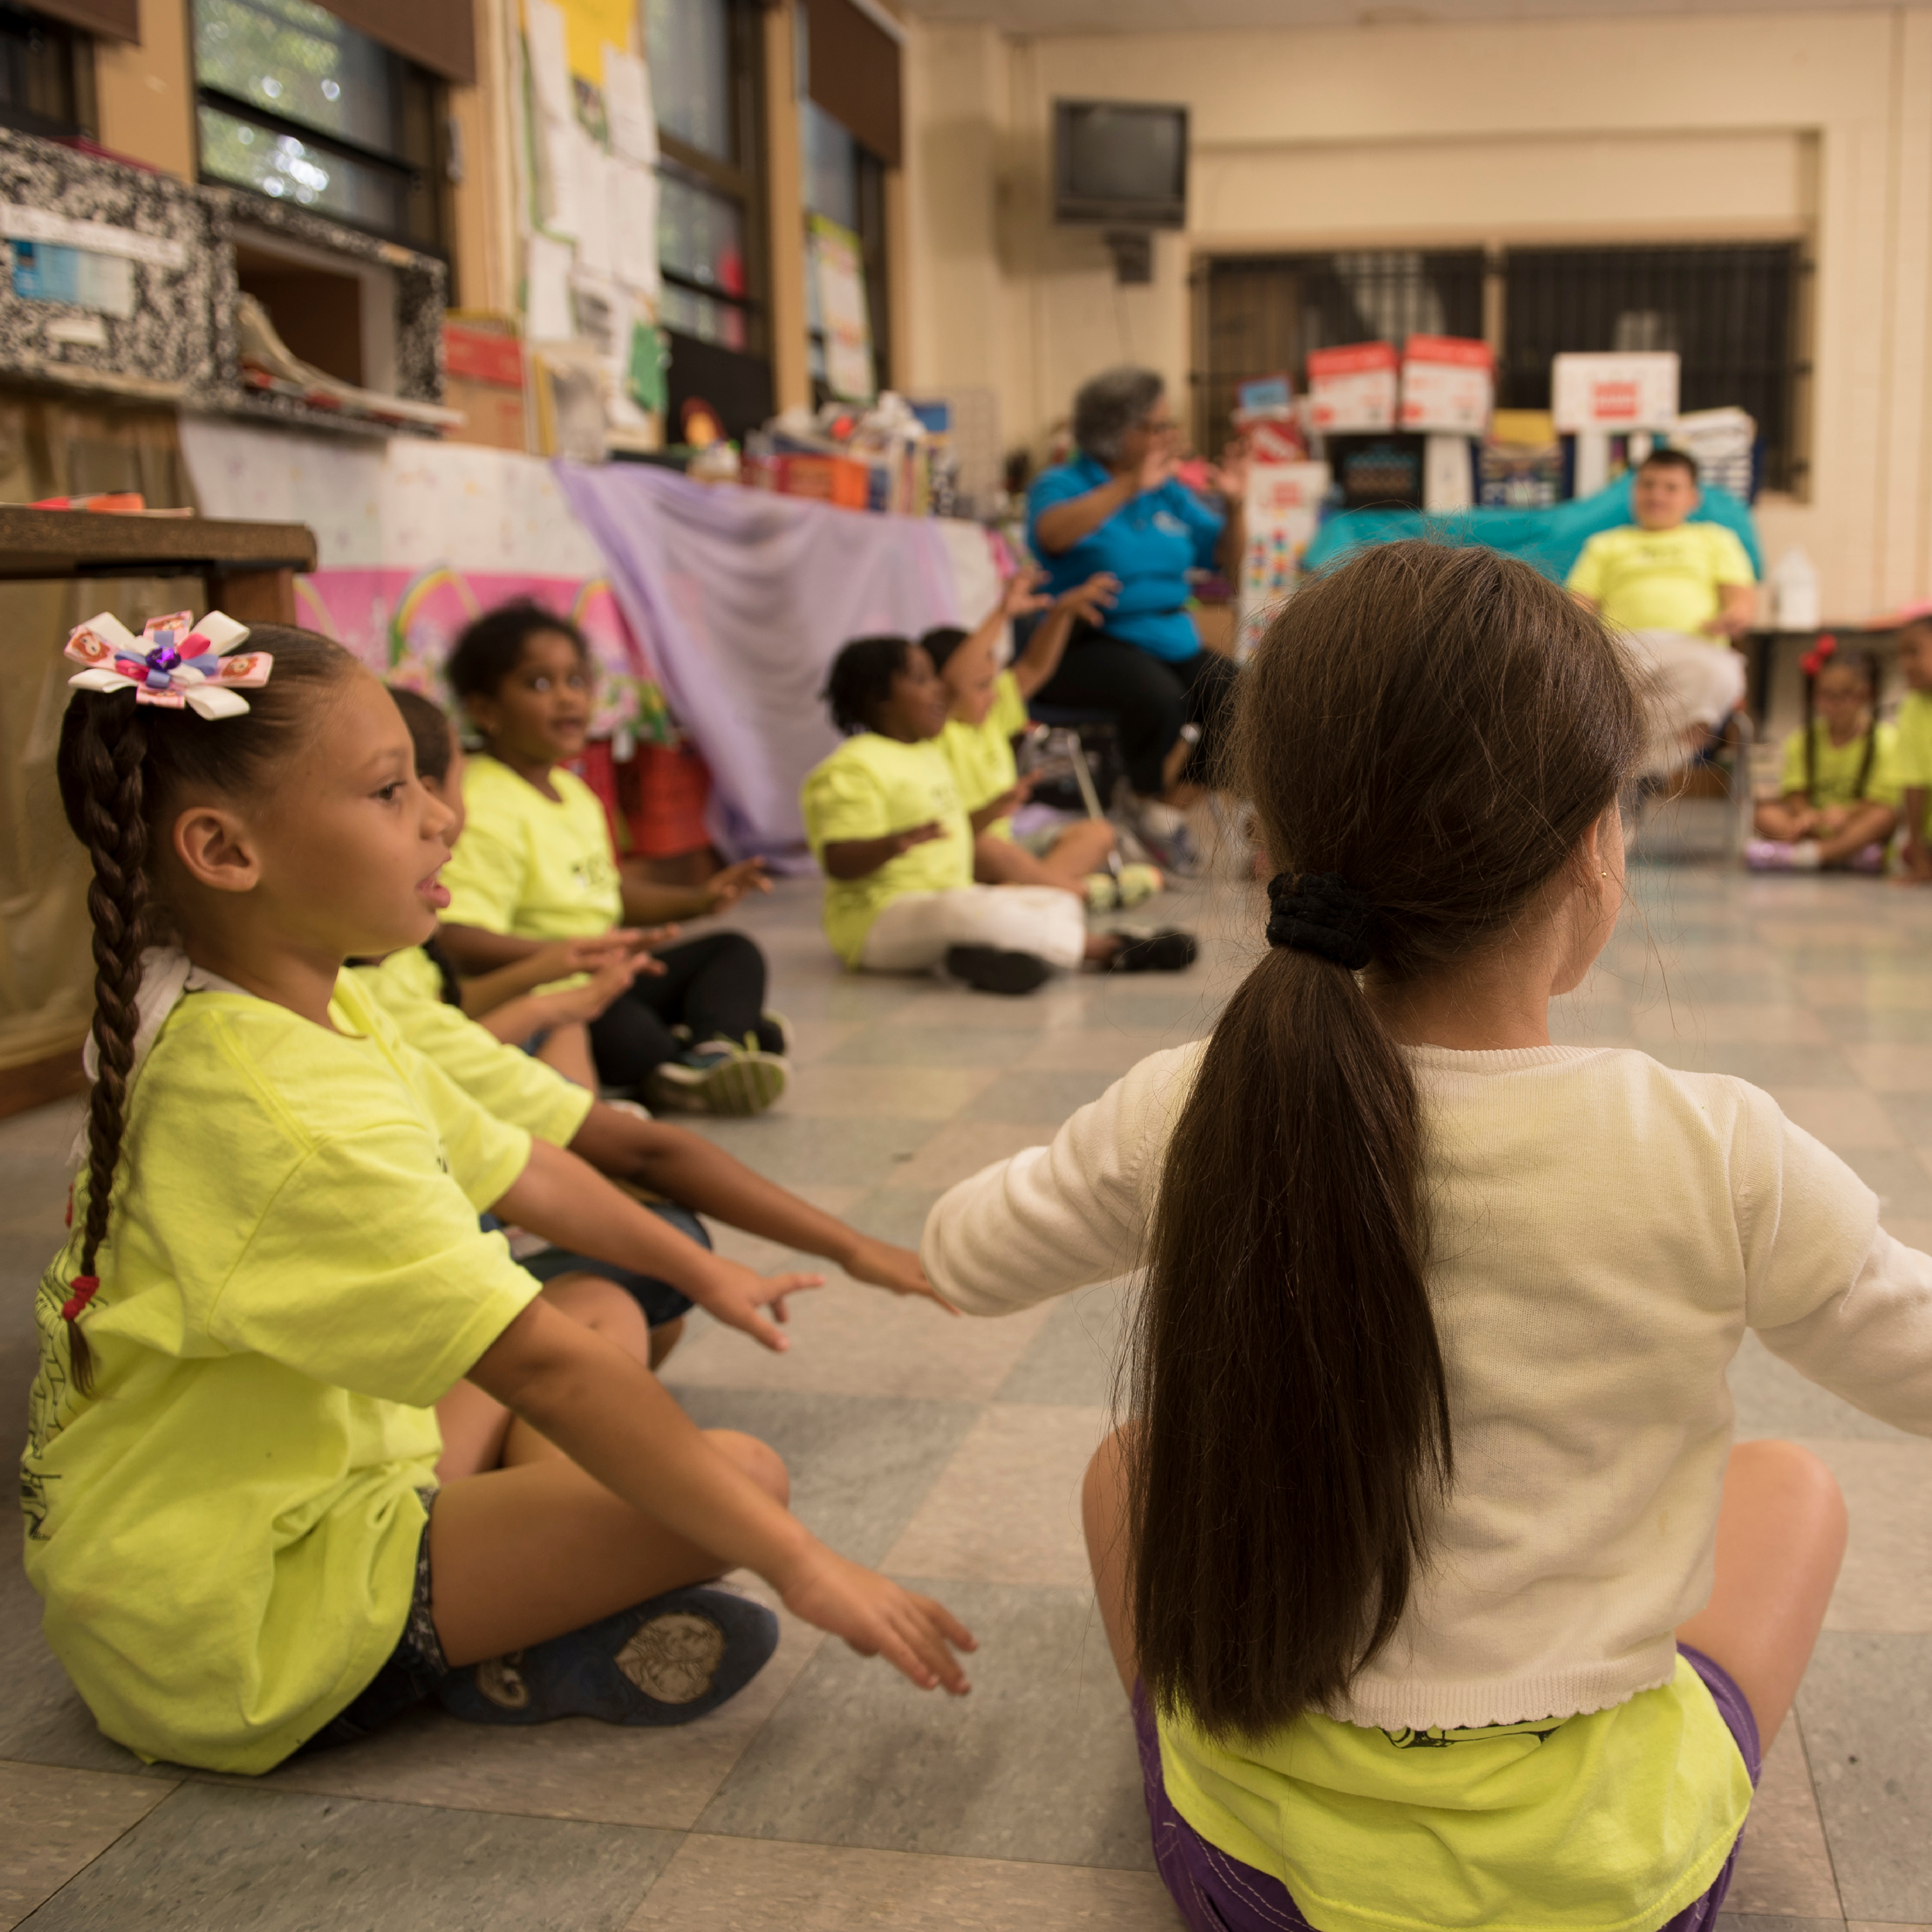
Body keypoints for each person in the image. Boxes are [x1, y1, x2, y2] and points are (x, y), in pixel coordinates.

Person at [917, 542, 1927, 1932]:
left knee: (1126, 1464)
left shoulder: (1197, 1102)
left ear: (1273, 846)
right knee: (1794, 1486)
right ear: (1593, 844)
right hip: (1602, 1887)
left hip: (1258, 1878)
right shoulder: (1715, 1146)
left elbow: (960, 1253)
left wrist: (1113, 1149)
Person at [26, 614, 973, 1777]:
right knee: (737, 1482)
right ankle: (493, 1646)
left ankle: (529, 1602)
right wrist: (806, 1563)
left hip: (263, 1495)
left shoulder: (301, 1002)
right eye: (389, 791)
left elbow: (525, 1167)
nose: (440, 815)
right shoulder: (272, 1097)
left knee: (599, 1309)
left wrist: (702, 1270)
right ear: (225, 850)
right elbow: (540, 1373)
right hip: (232, 1615)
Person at [356, 686, 942, 1367]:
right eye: (395, 793)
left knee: (709, 971)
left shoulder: (367, 987)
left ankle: (711, 1049)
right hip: (402, 1358)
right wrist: (852, 1246)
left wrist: (576, 972)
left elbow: (466, 1009)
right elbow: (644, 1153)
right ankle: (690, 1060)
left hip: (570, 990)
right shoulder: (370, 1007)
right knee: (658, 1257)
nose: (444, 821)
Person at [437, 601, 787, 1116]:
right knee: (630, 1034)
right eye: (539, 684)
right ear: (487, 711)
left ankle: (708, 1052)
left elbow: (610, 892)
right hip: (552, 990)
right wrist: (567, 955)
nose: (567, 699)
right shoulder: (483, 804)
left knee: (733, 953)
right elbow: (457, 937)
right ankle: (702, 1049)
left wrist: (699, 901)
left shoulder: (572, 792)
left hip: (607, 972)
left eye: (577, 681)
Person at [801, 635, 1196, 996]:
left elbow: (953, 832)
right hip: (876, 921)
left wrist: (989, 812)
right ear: (878, 697)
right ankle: (1107, 949)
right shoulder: (851, 767)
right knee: (964, 910)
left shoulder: (926, 753)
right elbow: (838, 861)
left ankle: (986, 956)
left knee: (1051, 900)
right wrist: (893, 843)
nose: (939, 688)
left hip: (944, 901)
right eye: (922, 679)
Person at [1026, 366, 1246, 871]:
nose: (1167, 438)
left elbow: (1225, 556)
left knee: (1241, 700)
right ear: (1115, 430)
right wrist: (1127, 486)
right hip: (1086, 638)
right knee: (1159, 700)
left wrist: (1235, 507)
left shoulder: (1166, 491)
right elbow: (1053, 535)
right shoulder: (1061, 482)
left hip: (1167, 635)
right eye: (1156, 426)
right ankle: (1145, 807)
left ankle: (1158, 810)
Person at [923, 569, 1162, 912]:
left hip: (1010, 855)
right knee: (988, 848)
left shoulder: (990, 716)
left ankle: (1017, 897)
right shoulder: (939, 727)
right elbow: (957, 680)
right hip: (966, 848)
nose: (992, 695)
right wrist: (1002, 613)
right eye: (981, 686)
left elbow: (1035, 667)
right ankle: (1077, 893)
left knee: (1099, 833)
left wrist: (1061, 612)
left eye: (992, 683)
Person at [1567, 449, 1758, 778]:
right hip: (1623, 649)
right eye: (1648, 485)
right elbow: (1578, 605)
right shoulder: (1605, 545)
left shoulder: (1717, 540)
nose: (1657, 495)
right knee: (1590, 683)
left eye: (1670, 488)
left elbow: (1741, 600)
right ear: (1635, 492)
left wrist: (1735, 616)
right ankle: (1643, 774)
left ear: (1693, 498)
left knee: (1722, 676)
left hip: (1694, 650)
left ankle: (1624, 773)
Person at [1748, 641, 1900, 872]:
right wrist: (1807, 815)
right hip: (1814, 825)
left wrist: (1846, 815)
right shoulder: (1802, 740)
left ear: (1865, 696)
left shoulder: (1886, 741)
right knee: (1764, 815)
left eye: (1845, 695)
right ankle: (1843, 855)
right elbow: (1796, 793)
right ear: (1815, 696)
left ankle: (1811, 855)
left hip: (1855, 823)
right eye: (1827, 695)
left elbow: (1881, 800)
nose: (1835, 704)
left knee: (1885, 817)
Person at [1889, 613, 1932, 884]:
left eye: (1914, 653)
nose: (1905, 664)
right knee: (1905, 854)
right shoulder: (1913, 708)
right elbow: (1914, 787)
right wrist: (1917, 853)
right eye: (1902, 655)